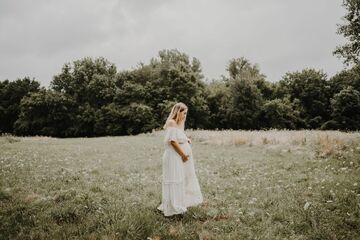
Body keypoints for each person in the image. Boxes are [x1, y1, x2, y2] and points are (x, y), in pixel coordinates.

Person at [157, 102, 203, 217]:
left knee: (179, 180)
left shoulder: (178, 124)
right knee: (174, 180)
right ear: (178, 112)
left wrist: (186, 140)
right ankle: (173, 208)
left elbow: (178, 137)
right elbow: (172, 141)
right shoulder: (172, 122)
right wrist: (183, 155)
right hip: (173, 157)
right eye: (184, 113)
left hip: (177, 157)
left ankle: (177, 204)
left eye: (186, 113)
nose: (185, 116)